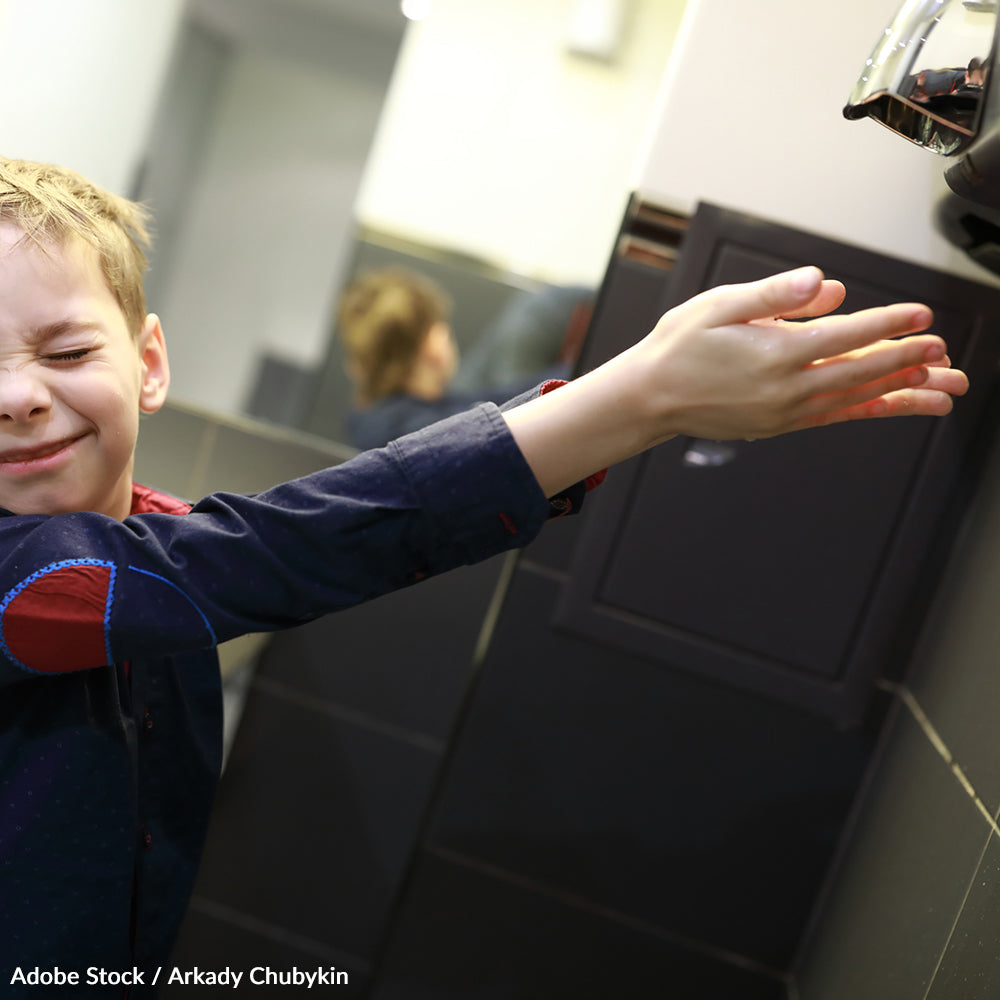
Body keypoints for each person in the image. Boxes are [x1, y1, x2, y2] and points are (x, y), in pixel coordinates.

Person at [0, 155, 966, 996]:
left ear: (150, 362)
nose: (16, 396)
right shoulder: (37, 583)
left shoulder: (151, 555)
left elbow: (234, 548)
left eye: (69, 350)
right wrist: (644, 395)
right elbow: (263, 555)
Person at [337, 267, 588, 449]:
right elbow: (506, 409)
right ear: (433, 342)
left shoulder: (388, 416)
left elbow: (499, 398)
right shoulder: (420, 429)